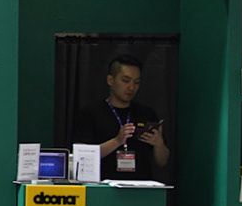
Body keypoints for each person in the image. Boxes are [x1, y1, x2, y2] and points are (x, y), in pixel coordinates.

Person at [72, 53, 169, 181]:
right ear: (110, 80)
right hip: (103, 185)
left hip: (140, 185)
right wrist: (117, 141)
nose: (131, 87)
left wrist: (159, 144)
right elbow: (81, 156)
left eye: (137, 82)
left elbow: (162, 161)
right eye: (126, 81)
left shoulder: (146, 113)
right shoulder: (91, 113)